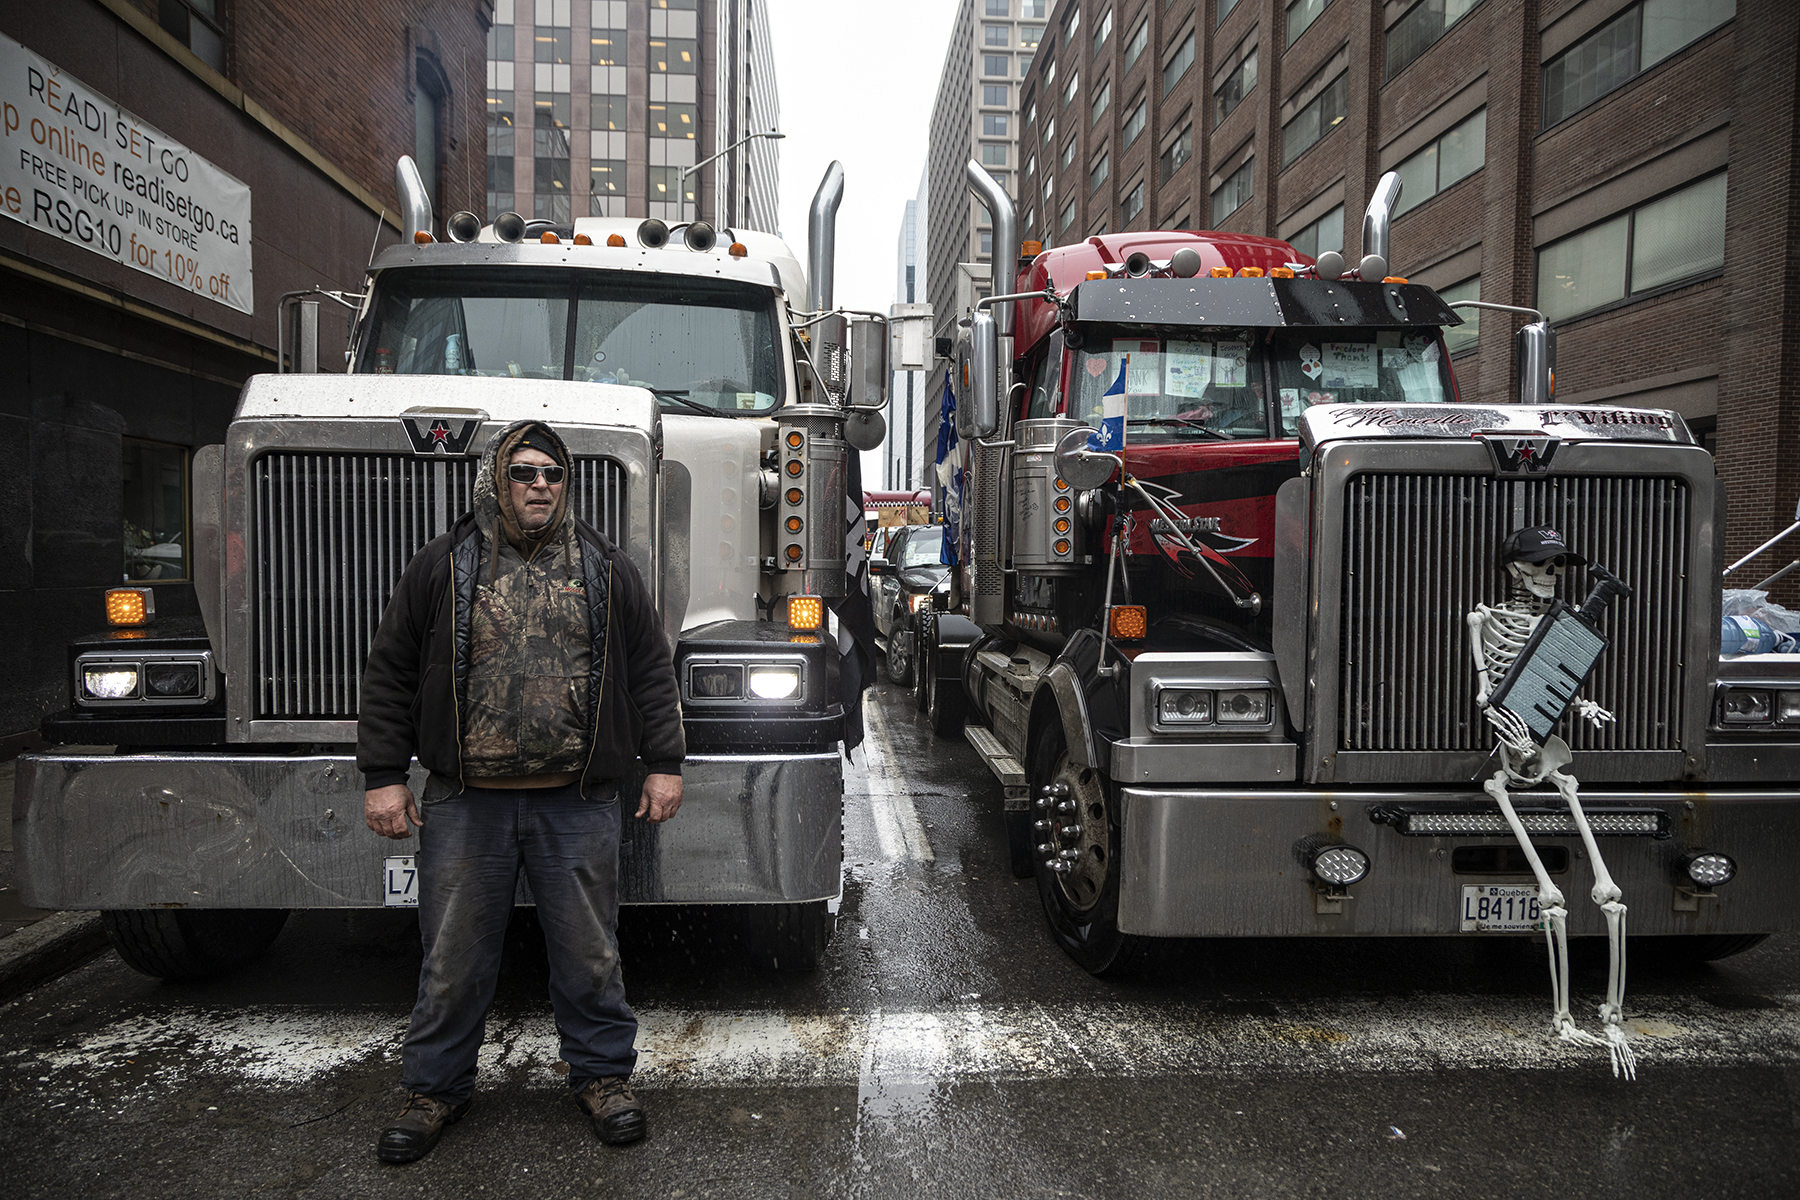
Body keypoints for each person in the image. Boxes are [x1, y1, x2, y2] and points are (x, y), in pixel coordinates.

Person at [357, 419, 685, 1164]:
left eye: (553, 474)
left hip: (577, 801)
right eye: (524, 472)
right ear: (495, 480)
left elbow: (650, 672)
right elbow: (391, 673)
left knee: (590, 953)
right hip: (466, 802)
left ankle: (603, 1078)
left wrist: (664, 761)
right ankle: (434, 1089)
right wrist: (383, 777)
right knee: (452, 957)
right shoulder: (442, 564)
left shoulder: (605, 565)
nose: (540, 485)